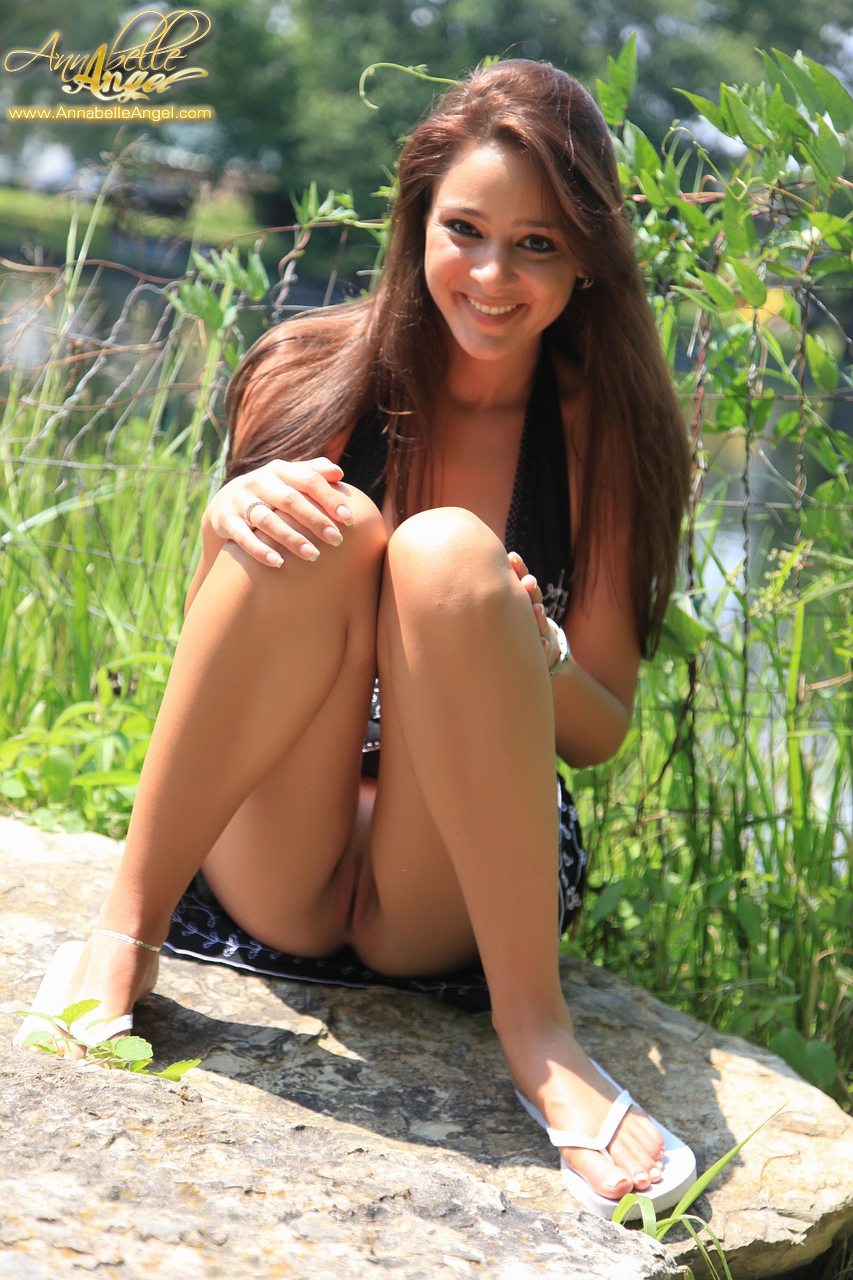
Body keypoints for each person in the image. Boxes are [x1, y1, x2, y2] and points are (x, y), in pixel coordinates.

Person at [16, 60, 695, 1218]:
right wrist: (222, 518)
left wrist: (531, 646)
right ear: (416, 221)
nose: (491, 276)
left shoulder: (607, 436)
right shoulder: (304, 372)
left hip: (452, 883)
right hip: (275, 862)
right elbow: (222, 656)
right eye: (464, 230)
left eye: (535, 245)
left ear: (586, 260)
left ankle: (538, 1038)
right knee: (320, 522)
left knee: (445, 555)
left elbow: (598, 731)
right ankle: (125, 933)